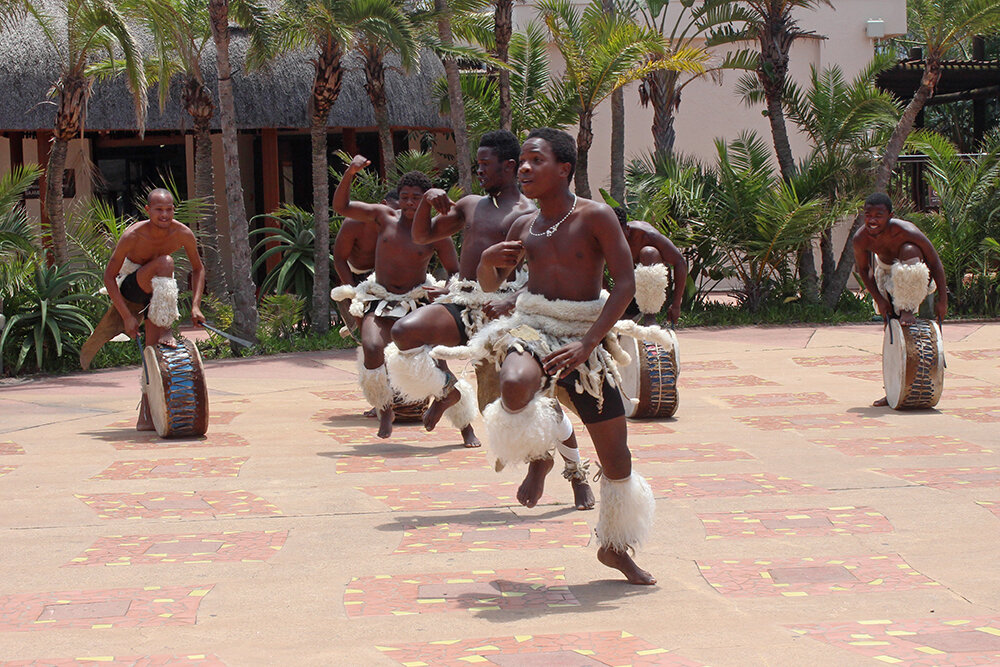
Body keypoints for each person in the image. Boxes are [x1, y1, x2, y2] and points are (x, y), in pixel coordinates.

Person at [434, 128, 665, 585]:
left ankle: (614, 547)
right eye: (521, 161)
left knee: (617, 459)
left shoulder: (596, 217)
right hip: (534, 325)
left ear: (564, 168)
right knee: (516, 385)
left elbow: (624, 284)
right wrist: (486, 263)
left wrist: (589, 343)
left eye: (535, 161)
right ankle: (540, 456)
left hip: (585, 330)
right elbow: (490, 285)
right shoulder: (524, 226)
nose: (523, 168)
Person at [331, 159, 459, 438]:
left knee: (436, 360)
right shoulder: (382, 217)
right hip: (381, 297)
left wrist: (447, 290)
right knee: (372, 347)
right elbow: (341, 206)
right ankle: (384, 407)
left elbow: (454, 271)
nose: (410, 203)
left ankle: (463, 423)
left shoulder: (437, 231)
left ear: (427, 200)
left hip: (417, 300)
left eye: (417, 198)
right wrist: (350, 173)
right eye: (404, 197)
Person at [82, 188, 206, 430]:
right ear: (148, 210)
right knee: (166, 263)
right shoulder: (132, 236)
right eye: (159, 209)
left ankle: (146, 417)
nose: (165, 214)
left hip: (157, 295)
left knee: (153, 354)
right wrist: (127, 317)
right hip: (131, 286)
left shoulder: (183, 233)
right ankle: (167, 328)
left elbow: (198, 268)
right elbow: (109, 277)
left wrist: (196, 305)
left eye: (169, 209)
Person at [853, 192, 947, 406]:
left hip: (914, 273)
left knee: (910, 249)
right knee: (895, 337)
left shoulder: (906, 231)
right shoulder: (861, 238)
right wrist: (879, 299)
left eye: (879, 215)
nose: (873, 220)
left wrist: (943, 300)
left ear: (890, 215)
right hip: (886, 275)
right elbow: (864, 269)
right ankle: (894, 391)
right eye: (868, 215)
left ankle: (908, 308)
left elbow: (935, 263)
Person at [613, 208, 688, 327]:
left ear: (627, 229)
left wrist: (676, 305)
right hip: (626, 288)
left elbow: (680, 262)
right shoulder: (603, 237)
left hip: (652, 287)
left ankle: (650, 316)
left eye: (620, 235)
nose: (617, 240)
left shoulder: (647, 235)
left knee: (649, 252)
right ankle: (626, 313)